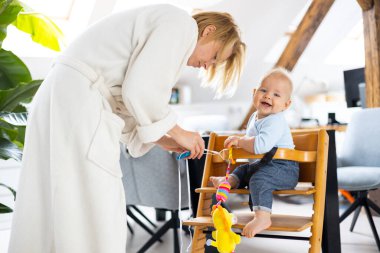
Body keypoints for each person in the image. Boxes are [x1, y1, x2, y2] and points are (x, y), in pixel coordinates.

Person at [9, 4, 245, 253]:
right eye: (216, 56)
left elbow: (127, 96)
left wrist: (162, 138)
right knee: (96, 202)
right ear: (208, 31)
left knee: (55, 199)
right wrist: (179, 131)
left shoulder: (163, 27)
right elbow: (140, 89)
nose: (208, 65)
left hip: (61, 97)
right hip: (79, 102)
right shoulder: (180, 24)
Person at [210, 68, 299, 238]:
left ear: (286, 105)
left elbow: (260, 146)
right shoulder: (254, 117)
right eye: (263, 90)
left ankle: (263, 217)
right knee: (243, 170)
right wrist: (236, 145)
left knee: (259, 178)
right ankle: (229, 181)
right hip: (263, 165)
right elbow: (250, 143)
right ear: (254, 93)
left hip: (284, 169)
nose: (267, 96)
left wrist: (240, 141)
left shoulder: (275, 120)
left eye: (276, 95)